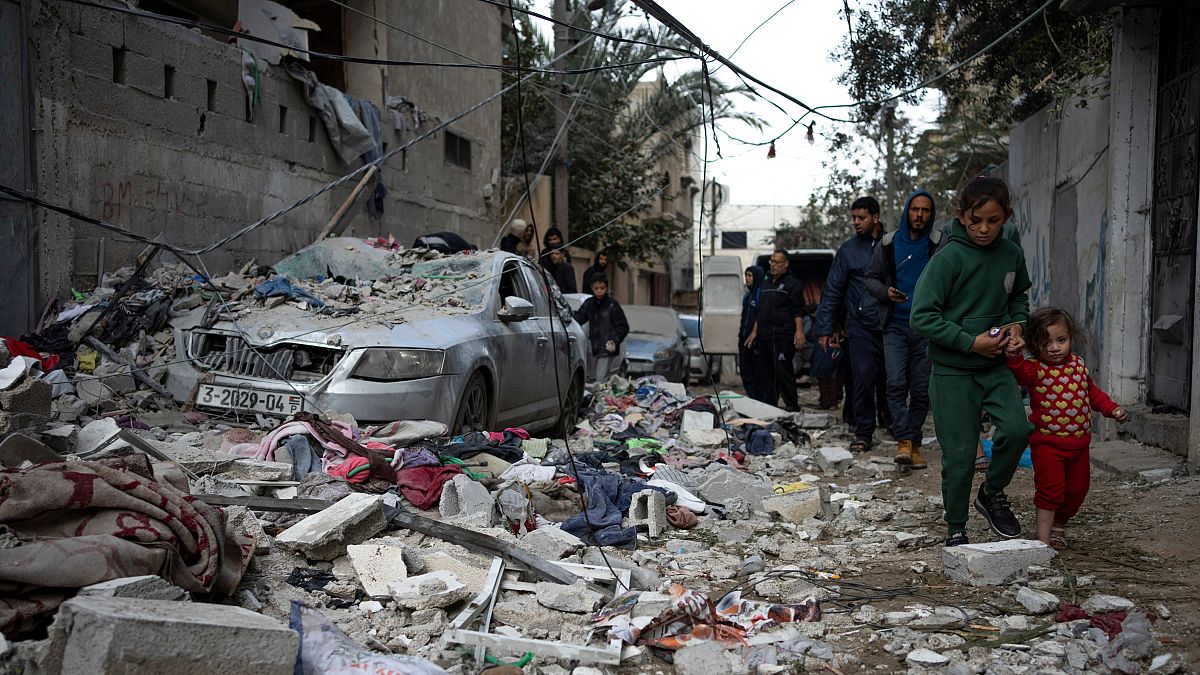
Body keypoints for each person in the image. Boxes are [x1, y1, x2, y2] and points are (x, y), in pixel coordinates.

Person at [910, 175, 1033, 547]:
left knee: (1016, 430)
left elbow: (1018, 300)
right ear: (961, 216)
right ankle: (956, 528)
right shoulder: (948, 258)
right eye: (976, 220)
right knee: (961, 456)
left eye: (993, 221)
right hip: (952, 373)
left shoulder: (1012, 254)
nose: (983, 229)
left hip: (995, 367)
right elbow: (921, 316)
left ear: (1007, 217)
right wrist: (969, 342)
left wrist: (1016, 328)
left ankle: (992, 492)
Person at [1006, 307, 1127, 549]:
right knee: (1051, 491)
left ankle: (1059, 526)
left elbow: (1092, 393)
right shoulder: (1035, 369)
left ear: (1070, 337)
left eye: (1061, 340)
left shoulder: (1078, 366)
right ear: (1034, 345)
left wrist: (1111, 409)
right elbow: (1019, 374)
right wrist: (1014, 356)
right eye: (1046, 342)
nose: (1054, 348)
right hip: (1048, 445)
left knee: (1077, 490)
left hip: (1080, 446)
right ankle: (1042, 541)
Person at [865, 189, 941, 469]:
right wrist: (886, 292)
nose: (920, 215)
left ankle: (915, 444)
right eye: (915, 209)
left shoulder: (938, 243)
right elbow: (870, 279)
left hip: (927, 328)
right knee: (895, 383)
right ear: (907, 210)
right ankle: (904, 442)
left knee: (921, 390)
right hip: (894, 326)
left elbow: (950, 280)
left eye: (926, 210)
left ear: (931, 214)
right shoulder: (888, 243)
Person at [814, 196, 885, 452]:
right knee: (862, 377)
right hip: (860, 325)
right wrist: (826, 327)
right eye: (854, 217)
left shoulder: (893, 244)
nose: (856, 222)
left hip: (891, 324)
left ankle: (890, 422)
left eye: (861, 217)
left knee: (892, 380)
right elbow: (833, 290)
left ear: (875, 217)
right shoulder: (848, 250)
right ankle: (863, 430)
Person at [745, 251, 805, 411]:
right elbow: (761, 311)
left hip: (783, 335)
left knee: (783, 372)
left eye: (777, 262)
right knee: (766, 374)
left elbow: (798, 310)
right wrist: (754, 332)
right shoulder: (765, 284)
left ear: (786, 264)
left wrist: (799, 332)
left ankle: (792, 406)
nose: (773, 265)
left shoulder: (793, 284)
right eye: (772, 261)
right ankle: (770, 407)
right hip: (764, 335)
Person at [573, 273, 629, 382]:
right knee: (600, 380)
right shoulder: (589, 304)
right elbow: (579, 318)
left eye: (602, 288)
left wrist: (615, 340)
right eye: (596, 288)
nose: (599, 291)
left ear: (606, 288)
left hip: (608, 347)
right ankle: (605, 397)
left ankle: (602, 397)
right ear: (592, 288)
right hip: (594, 348)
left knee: (600, 379)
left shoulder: (612, 305)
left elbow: (623, 326)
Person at [738, 265, 765, 399]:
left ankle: (759, 398)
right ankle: (752, 396)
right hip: (744, 338)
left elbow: (760, 315)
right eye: (746, 275)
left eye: (750, 276)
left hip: (755, 339)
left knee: (758, 371)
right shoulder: (747, 296)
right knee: (745, 369)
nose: (747, 278)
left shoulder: (761, 293)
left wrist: (754, 332)